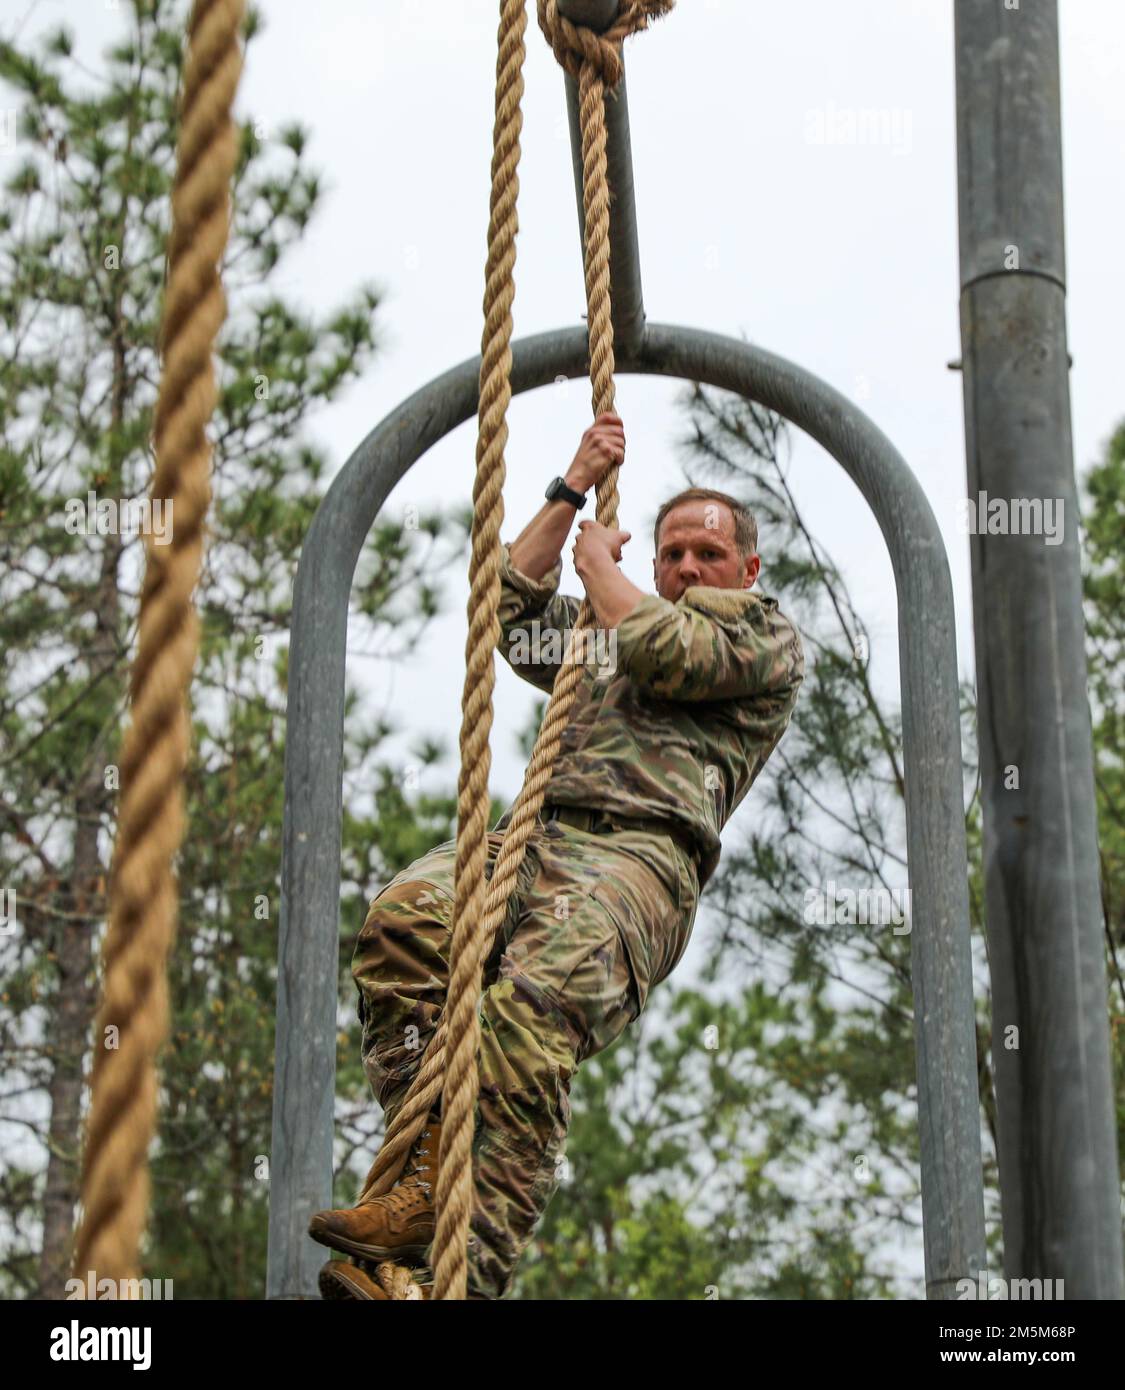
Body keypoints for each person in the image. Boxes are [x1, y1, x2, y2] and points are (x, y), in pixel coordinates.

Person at [311, 411, 805, 1300]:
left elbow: (665, 649)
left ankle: (462, 1273)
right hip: (538, 841)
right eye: (672, 554)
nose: (688, 567)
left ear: (747, 570)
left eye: (707, 554)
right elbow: (505, 604)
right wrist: (571, 485)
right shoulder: (604, 626)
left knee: (524, 1019)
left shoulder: (759, 637)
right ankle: (424, 1178)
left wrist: (602, 570)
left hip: (636, 865)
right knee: (405, 926)